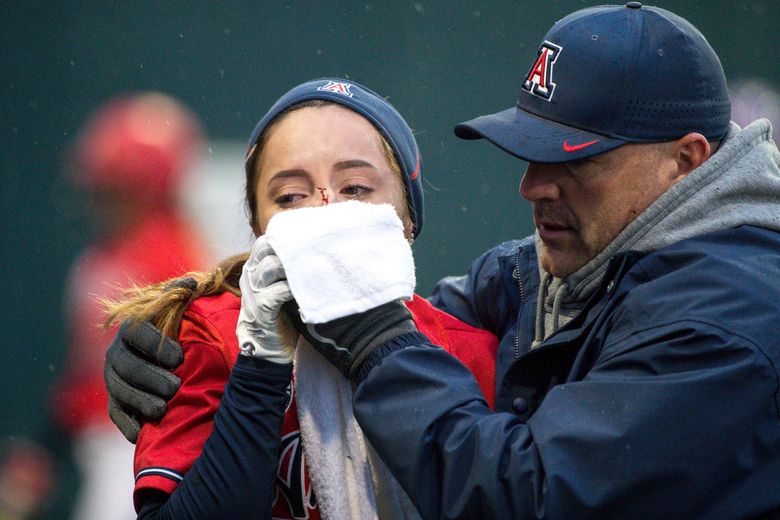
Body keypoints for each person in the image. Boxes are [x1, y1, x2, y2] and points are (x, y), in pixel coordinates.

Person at [104, 4, 780, 518]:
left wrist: (374, 337)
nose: (533, 185)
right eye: (531, 151)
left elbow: (528, 496)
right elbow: (433, 316)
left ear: (684, 161)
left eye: (576, 160)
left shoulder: (729, 317)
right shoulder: (575, 262)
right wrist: (176, 334)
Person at [102, 78, 498, 519]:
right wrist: (258, 369)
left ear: (407, 220)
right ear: (258, 230)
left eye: (356, 189)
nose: (324, 211)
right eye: (290, 196)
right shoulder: (209, 335)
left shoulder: (470, 351)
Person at [51, 92, 209, 520]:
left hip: (143, 447)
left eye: (116, 188)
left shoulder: (174, 260)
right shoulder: (99, 256)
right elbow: (80, 373)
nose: (102, 200)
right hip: (98, 446)